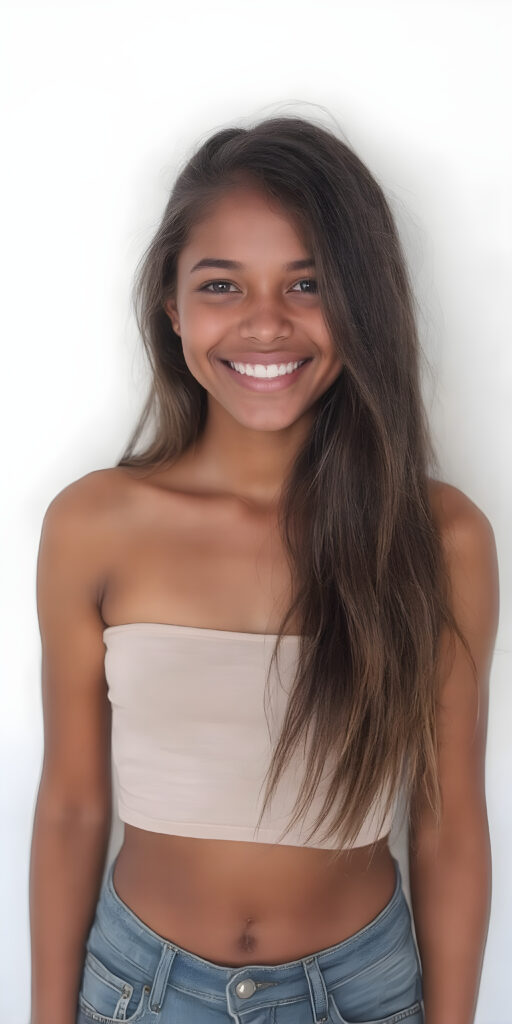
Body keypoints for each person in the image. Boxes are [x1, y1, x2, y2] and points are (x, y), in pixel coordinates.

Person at [29, 115, 498, 1024]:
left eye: (309, 283)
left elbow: (449, 825)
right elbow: (72, 808)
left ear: (363, 300)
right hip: (140, 992)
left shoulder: (442, 539)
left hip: (359, 993)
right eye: (221, 284)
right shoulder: (94, 524)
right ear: (172, 309)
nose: (265, 322)